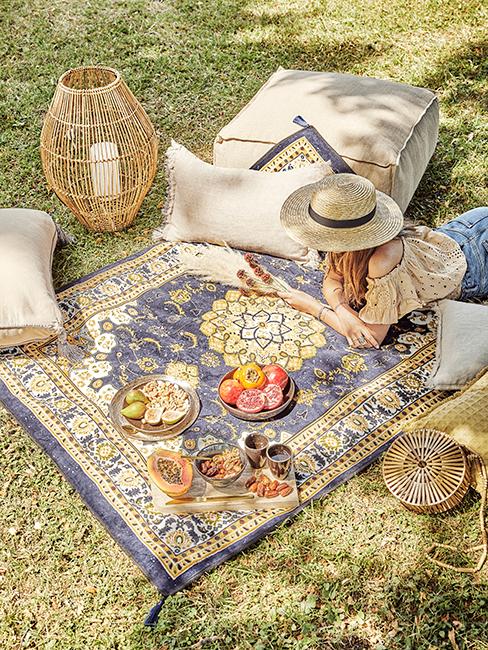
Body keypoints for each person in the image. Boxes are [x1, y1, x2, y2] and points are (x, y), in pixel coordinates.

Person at [278, 173, 488, 349]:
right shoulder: (345, 239)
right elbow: (333, 279)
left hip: (477, 263)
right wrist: (343, 310)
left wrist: (315, 308)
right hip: (461, 231)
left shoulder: (381, 260)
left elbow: (370, 337)